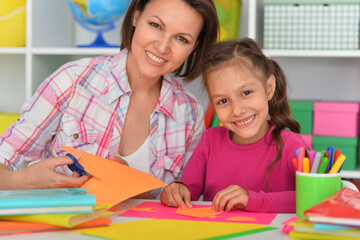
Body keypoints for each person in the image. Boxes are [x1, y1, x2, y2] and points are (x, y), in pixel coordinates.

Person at [0, 0, 219, 198]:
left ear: (195, 46)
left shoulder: (190, 113)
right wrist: (23, 179)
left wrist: (131, 185)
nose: (162, 47)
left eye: (182, 38)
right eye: (156, 25)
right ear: (136, 16)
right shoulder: (73, 81)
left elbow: (182, 197)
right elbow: (5, 160)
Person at [160, 38, 309, 212]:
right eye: (223, 100)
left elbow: (313, 199)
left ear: (269, 88)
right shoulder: (210, 140)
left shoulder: (292, 146)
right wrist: (177, 190)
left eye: (246, 93)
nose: (237, 110)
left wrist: (251, 199)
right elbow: (187, 188)